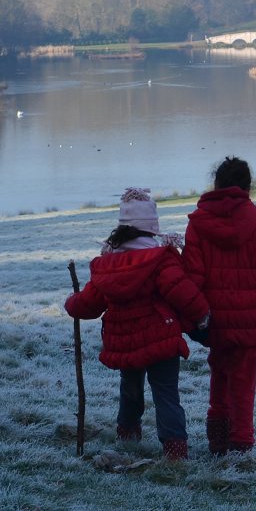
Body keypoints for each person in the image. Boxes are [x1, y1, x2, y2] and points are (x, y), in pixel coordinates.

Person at [65, 188, 210, 461]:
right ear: (153, 229)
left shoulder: (108, 263)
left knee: (130, 389)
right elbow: (181, 291)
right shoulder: (161, 258)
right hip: (161, 338)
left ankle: (128, 436)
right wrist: (203, 315)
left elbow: (89, 303)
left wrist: (70, 302)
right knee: (166, 394)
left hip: (125, 340)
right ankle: (175, 451)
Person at [183, 156, 256, 455]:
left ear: (216, 185)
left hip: (213, 318)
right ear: (247, 187)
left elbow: (191, 276)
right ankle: (241, 445)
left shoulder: (197, 224)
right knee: (243, 383)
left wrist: (195, 314)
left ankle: (218, 441)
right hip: (247, 318)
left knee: (219, 375)